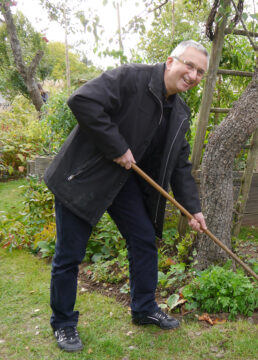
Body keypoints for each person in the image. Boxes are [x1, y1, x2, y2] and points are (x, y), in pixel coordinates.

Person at [44, 40, 209, 353]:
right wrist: (116, 146)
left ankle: (144, 307)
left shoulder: (180, 112)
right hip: (85, 176)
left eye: (200, 71)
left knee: (144, 239)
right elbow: (82, 101)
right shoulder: (131, 78)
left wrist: (193, 209)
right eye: (189, 65)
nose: (193, 75)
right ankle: (64, 323)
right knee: (70, 255)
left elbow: (180, 165)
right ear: (170, 60)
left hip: (122, 182)